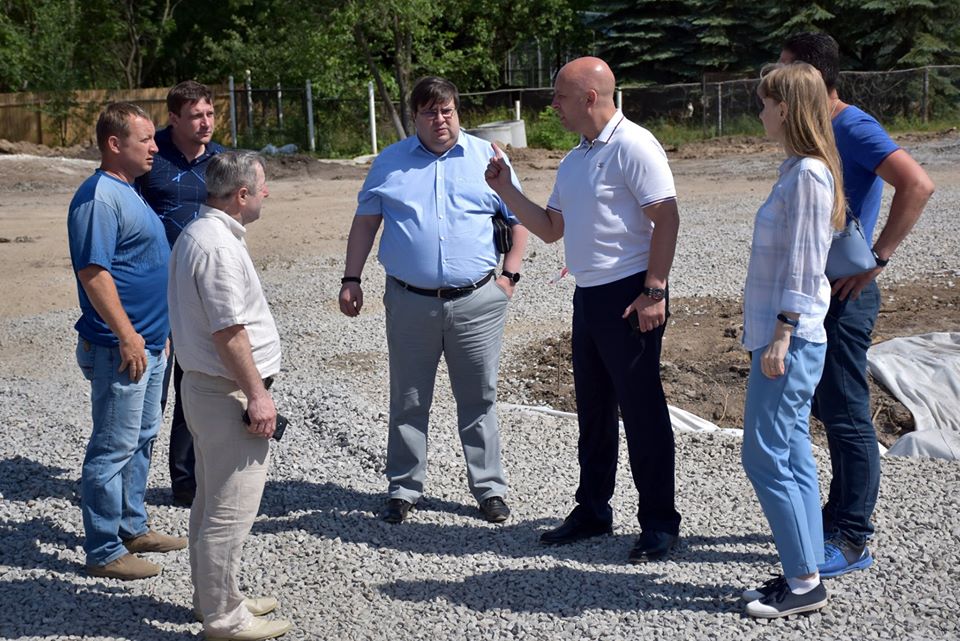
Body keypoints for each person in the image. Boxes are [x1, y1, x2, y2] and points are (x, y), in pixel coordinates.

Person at [484, 56, 682, 562]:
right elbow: (551, 229)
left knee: (642, 411)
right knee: (593, 410)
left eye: (560, 96)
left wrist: (654, 289)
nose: (553, 106)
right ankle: (594, 509)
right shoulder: (575, 159)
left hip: (632, 294)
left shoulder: (634, 145)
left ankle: (659, 521)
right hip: (590, 297)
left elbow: (667, 217)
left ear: (589, 98)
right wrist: (506, 189)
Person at [338, 76, 529, 525]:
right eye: (430, 112)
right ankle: (404, 487)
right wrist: (352, 278)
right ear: (415, 117)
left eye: (447, 110)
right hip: (409, 301)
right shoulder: (389, 162)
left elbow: (518, 218)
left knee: (479, 397)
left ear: (457, 111)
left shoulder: (489, 157)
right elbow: (365, 224)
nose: (440, 120)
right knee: (408, 397)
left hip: (478, 301)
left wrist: (510, 276)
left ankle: (489, 489)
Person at [780, 33, 934, 578]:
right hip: (821, 295)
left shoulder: (852, 125)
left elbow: (917, 183)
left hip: (848, 294)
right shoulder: (818, 129)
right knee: (829, 407)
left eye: (785, 72)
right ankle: (837, 513)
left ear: (813, 77)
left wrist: (878, 257)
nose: (775, 85)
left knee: (846, 414)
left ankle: (851, 537)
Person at [168, 151, 292, 641]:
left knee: (209, 502)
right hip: (227, 395)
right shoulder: (217, 246)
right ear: (241, 195)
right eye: (262, 187)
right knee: (229, 512)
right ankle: (223, 619)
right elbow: (229, 332)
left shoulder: (202, 233)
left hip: (208, 388)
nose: (267, 194)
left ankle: (214, 599)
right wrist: (257, 396)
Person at [738, 62, 846, 618]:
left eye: (765, 102)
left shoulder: (806, 174)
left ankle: (803, 582)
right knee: (794, 453)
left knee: (763, 457)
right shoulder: (798, 169)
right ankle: (805, 570)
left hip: (791, 338)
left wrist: (781, 335)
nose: (760, 111)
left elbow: (805, 267)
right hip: (785, 335)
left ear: (787, 107)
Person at [68, 102, 186, 581]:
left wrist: (161, 334)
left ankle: (131, 527)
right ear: (115, 144)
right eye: (146, 140)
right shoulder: (99, 198)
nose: (156, 146)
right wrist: (128, 335)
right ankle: (102, 550)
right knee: (111, 448)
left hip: (150, 343)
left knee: (140, 439)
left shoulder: (128, 190)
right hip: (122, 349)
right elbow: (94, 274)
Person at [137, 80, 225, 508]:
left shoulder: (221, 161)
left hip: (202, 293)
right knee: (151, 391)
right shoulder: (149, 155)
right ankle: (132, 482)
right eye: (195, 115)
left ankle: (185, 483)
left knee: (195, 385)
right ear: (173, 119)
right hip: (155, 291)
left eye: (209, 113)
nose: (205, 122)